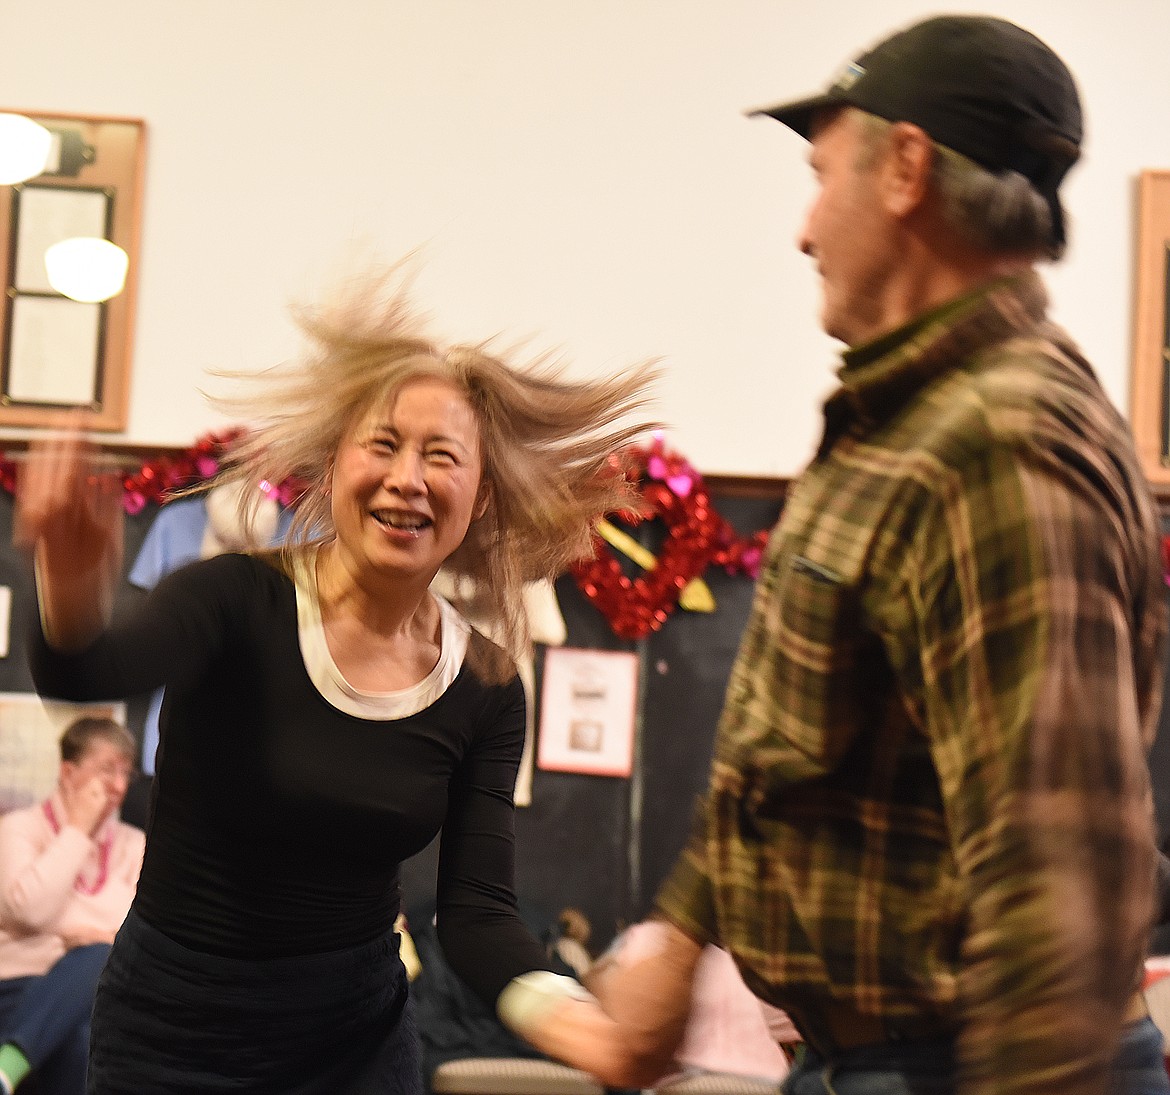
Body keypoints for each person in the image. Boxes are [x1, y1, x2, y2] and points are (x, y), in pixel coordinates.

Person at [505, 14, 1170, 1095]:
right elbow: (793, 754)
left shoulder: (997, 446)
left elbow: (1058, 885)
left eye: (821, 177)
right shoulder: (909, 424)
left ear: (905, 167)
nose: (805, 231)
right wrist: (678, 943)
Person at [13, 277, 661, 1094]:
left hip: (352, 1044)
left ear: (480, 496)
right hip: (175, 1034)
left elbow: (477, 916)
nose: (407, 477)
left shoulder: (487, 684)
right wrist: (70, 585)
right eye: (382, 444)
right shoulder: (231, 599)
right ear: (331, 468)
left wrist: (578, 1021)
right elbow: (85, 672)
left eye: (441, 455)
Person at [0, 716, 142, 1094]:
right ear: (68, 772)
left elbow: (142, 935)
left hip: (99, 993)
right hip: (19, 984)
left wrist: (93, 937)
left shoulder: (134, 845)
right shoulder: (21, 828)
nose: (119, 786)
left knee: (94, 971)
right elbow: (28, 911)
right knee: (85, 1023)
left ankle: (6, 1068)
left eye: (126, 773)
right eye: (107, 770)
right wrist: (77, 830)